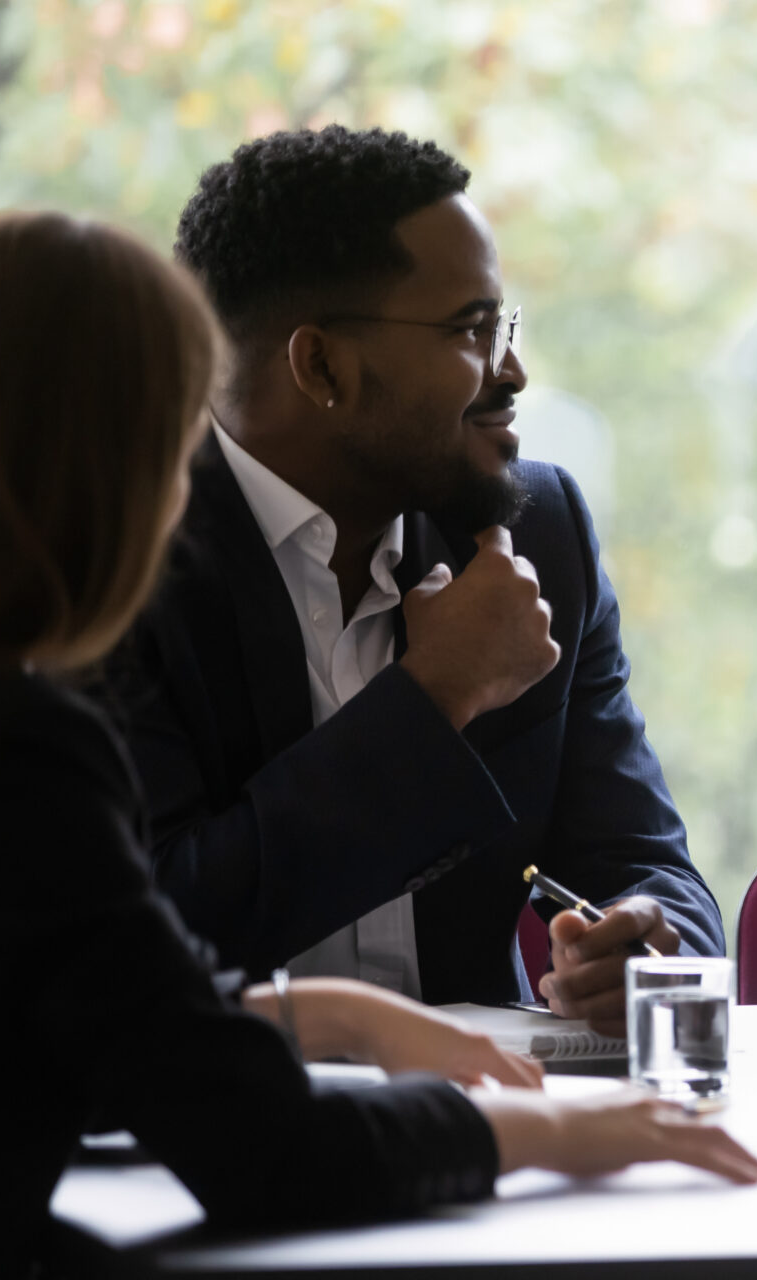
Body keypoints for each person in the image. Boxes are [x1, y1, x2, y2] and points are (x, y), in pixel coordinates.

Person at [0, 211, 757, 1276]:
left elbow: (100, 983)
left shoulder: (530, 534)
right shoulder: (28, 736)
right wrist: (546, 1137)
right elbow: (233, 1108)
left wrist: (343, 1016)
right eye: (167, 447)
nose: (177, 493)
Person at [104, 126, 721, 1030]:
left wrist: (651, 938)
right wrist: (434, 699)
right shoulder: (114, 558)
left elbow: (646, 861)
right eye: (471, 329)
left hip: (498, 1118)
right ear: (319, 365)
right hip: (214, 1134)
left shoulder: (537, 532)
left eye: (502, 325)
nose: (511, 370)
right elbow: (152, 940)